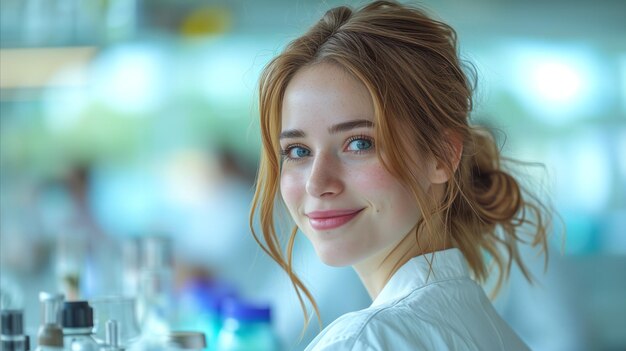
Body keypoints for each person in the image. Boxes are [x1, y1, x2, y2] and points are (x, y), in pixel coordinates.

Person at [249, 1, 551, 350]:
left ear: (441, 156)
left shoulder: (364, 340)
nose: (317, 183)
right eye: (298, 151)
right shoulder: (492, 331)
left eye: (359, 143)